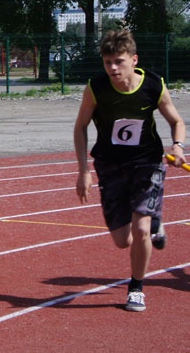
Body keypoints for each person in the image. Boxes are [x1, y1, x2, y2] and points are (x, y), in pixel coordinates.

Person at [74, 28, 185, 312]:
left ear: (133, 59)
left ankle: (136, 287)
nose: (112, 68)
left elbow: (176, 121)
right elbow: (80, 127)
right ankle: (155, 222)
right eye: (107, 61)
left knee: (142, 229)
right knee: (123, 241)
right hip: (110, 165)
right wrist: (84, 170)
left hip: (147, 163)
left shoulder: (152, 85)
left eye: (118, 61)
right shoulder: (96, 88)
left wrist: (177, 146)